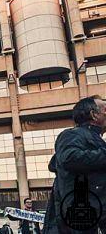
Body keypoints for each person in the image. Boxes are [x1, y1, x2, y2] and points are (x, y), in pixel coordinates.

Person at [44, 95, 106, 234]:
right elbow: (69, 158)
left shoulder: (96, 139)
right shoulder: (72, 135)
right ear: (94, 115)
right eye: (105, 109)